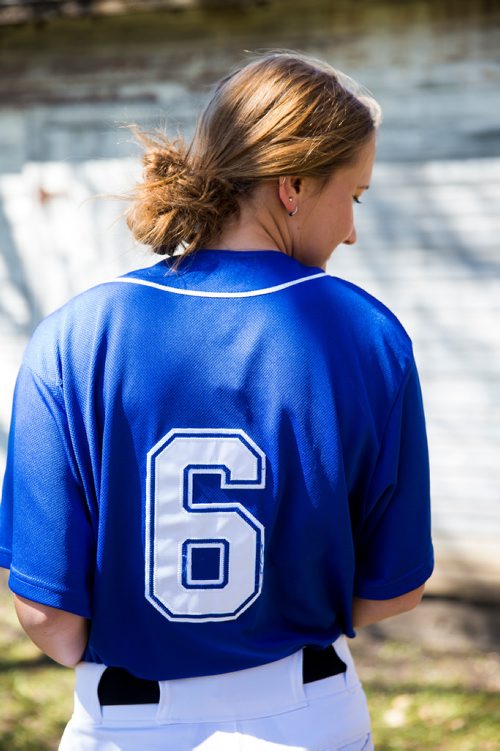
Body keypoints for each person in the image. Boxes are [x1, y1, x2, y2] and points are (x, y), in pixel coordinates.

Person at [0, 52, 433, 751]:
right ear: (292, 185)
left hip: (126, 724)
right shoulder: (368, 334)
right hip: (308, 717)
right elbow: (395, 588)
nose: (352, 229)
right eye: (354, 196)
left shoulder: (75, 334)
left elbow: (48, 614)